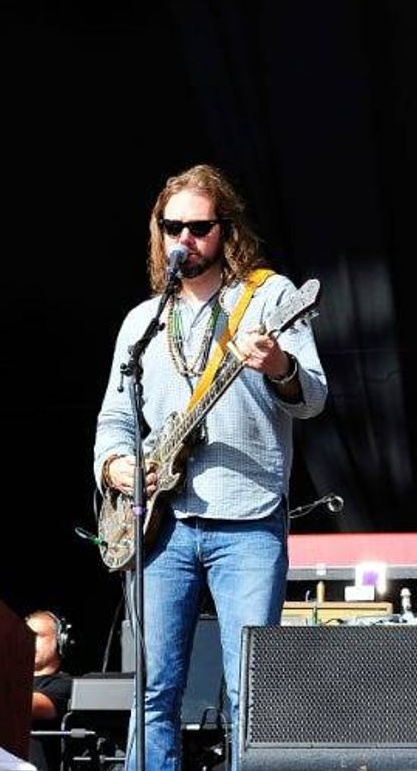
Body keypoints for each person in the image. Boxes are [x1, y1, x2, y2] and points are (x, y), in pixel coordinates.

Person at [93, 164, 326, 771]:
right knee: (153, 691)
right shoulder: (141, 324)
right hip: (161, 527)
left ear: (226, 229)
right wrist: (117, 466)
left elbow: (315, 396)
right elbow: (115, 419)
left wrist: (277, 365)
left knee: (251, 693)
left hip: (247, 519)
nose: (185, 241)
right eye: (173, 228)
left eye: (199, 228)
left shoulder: (269, 297)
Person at [27, 611, 73, 771]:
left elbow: (28, 706)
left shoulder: (64, 684)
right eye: (24, 635)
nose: (28, 641)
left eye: (36, 635)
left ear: (61, 641)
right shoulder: (8, 681)